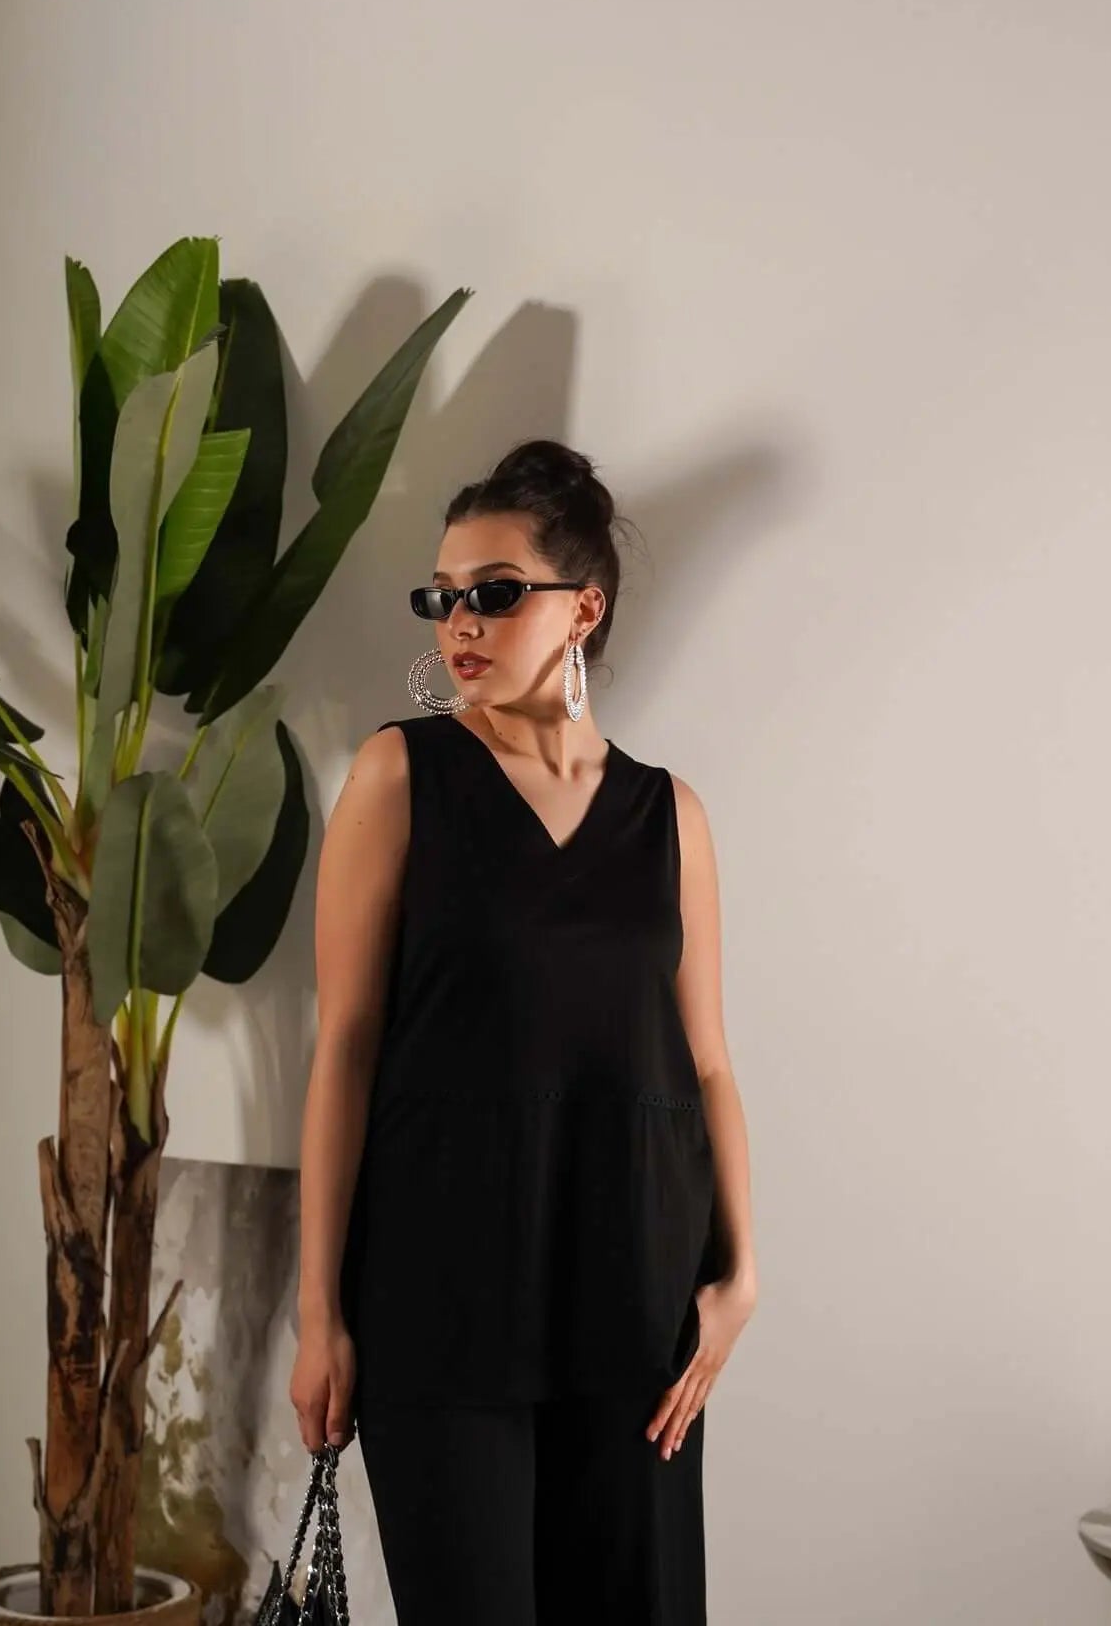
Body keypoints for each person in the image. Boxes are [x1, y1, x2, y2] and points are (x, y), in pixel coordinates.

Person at [290, 437, 758, 1625]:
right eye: (443, 596)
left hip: (635, 1300)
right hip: (438, 1304)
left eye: (495, 593)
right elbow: (345, 1046)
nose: (461, 622)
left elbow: (707, 1062)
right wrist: (318, 1312)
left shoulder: (670, 816)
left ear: (583, 608)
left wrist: (740, 1274)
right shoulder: (400, 776)